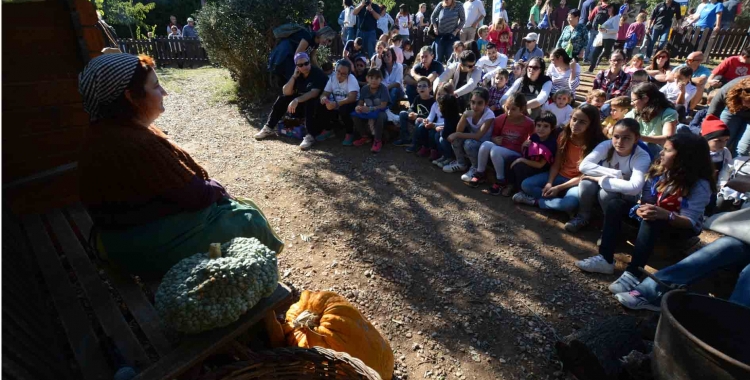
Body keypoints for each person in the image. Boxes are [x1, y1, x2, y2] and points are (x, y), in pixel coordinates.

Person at [77, 54, 283, 275]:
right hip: (133, 246)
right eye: (155, 86)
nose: (164, 92)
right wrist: (219, 188)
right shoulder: (133, 142)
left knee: (238, 206)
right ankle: (263, 280)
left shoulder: (106, 130)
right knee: (248, 220)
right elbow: (196, 195)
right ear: (130, 96)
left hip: (120, 235)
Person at [577, 132, 713, 295]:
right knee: (615, 204)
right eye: (663, 148)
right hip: (657, 214)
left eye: (668, 150)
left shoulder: (699, 185)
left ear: (685, 157)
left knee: (652, 218)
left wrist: (665, 214)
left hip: (679, 226)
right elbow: (648, 200)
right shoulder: (661, 171)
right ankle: (605, 259)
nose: (661, 153)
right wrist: (642, 208)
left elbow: (690, 221)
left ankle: (633, 273)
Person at [514, 104, 606, 218]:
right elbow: (557, 162)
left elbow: (585, 175)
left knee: (569, 203)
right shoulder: (564, 135)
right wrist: (550, 182)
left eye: (582, 122)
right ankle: (558, 203)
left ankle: (536, 202)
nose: (575, 124)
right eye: (574, 119)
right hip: (559, 175)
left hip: (576, 182)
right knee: (526, 185)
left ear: (591, 124)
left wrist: (559, 188)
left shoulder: (598, 144)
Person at [566, 118, 651, 232]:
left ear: (636, 138)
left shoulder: (641, 156)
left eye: (626, 138)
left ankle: (610, 227)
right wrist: (616, 174)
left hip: (627, 194)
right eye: (616, 136)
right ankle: (582, 217)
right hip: (616, 183)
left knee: (605, 194)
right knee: (586, 184)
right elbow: (584, 166)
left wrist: (600, 179)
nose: (620, 142)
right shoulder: (607, 145)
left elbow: (634, 188)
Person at [256, 53, 328, 149]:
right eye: (300, 65)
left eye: (306, 63)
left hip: (318, 107)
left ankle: (310, 136)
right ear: (297, 66)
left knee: (311, 102)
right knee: (282, 99)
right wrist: (294, 77)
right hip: (301, 105)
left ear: (309, 62)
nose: (304, 67)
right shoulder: (297, 74)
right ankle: (269, 127)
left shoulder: (317, 73)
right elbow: (286, 91)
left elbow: (314, 93)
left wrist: (297, 100)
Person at [468, 93, 535, 194]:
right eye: (507, 108)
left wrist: (527, 143)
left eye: (513, 109)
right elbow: (494, 135)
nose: (509, 112)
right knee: (486, 144)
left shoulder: (529, 123)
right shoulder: (500, 119)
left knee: (495, 150)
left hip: (516, 152)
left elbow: (532, 140)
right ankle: (480, 173)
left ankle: (501, 181)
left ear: (521, 109)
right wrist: (494, 139)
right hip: (502, 148)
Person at [443, 87, 496, 181]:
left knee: (468, 143)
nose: (475, 106)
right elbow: (459, 130)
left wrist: (457, 134)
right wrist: (464, 116)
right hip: (472, 139)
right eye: (473, 102)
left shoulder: (489, 115)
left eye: (480, 103)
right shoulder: (469, 112)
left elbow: (478, 136)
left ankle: (476, 168)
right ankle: (461, 164)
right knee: (457, 139)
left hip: (484, 143)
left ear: (486, 104)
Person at [506, 111, 560, 197]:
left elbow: (540, 165)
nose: (541, 129)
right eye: (538, 125)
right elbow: (524, 153)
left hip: (539, 170)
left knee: (519, 165)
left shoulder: (551, 143)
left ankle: (522, 191)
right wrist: (523, 145)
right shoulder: (534, 137)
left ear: (552, 128)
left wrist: (522, 160)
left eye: (546, 126)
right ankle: (511, 185)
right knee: (510, 159)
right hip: (529, 163)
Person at [267, 26, 337, 83]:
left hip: (291, 59)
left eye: (329, 41)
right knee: (294, 80)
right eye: (327, 39)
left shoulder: (316, 43)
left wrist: (320, 72)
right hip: (285, 56)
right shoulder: (309, 36)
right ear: (323, 34)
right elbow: (298, 55)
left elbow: (313, 58)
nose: (327, 42)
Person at [627, 82, 678, 156]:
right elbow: (623, 124)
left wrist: (639, 138)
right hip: (639, 148)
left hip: (660, 151)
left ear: (645, 99)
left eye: (633, 100)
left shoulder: (668, 112)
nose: (631, 103)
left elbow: (668, 138)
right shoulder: (635, 112)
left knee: (647, 145)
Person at [317, 60, 360, 146]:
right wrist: (324, 99)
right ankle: (329, 129)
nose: (339, 75)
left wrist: (337, 104)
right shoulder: (332, 78)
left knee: (344, 108)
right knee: (320, 104)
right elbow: (325, 93)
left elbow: (352, 97)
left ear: (348, 74)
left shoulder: (351, 79)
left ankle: (349, 132)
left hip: (351, 102)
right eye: (338, 72)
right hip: (336, 102)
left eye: (343, 74)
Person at [708, 76, 750, 156]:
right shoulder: (727, 90)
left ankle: (737, 166)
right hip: (733, 109)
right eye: (748, 102)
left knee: (742, 149)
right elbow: (711, 115)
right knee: (721, 140)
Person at [352, 68, 391, 153]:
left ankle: (377, 140)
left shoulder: (383, 88)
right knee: (355, 114)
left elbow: (383, 105)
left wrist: (370, 108)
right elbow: (361, 102)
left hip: (382, 111)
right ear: (367, 78)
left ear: (381, 79)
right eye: (371, 78)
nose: (374, 80)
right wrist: (358, 107)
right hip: (369, 111)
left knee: (380, 116)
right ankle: (365, 136)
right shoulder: (364, 89)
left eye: (377, 78)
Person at [395, 77, 436, 147]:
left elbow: (431, 116)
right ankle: (405, 138)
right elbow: (411, 108)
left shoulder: (433, 101)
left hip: (426, 122)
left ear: (430, 88)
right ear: (417, 89)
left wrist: (417, 116)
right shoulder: (417, 98)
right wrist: (411, 113)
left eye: (424, 86)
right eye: (419, 86)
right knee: (402, 114)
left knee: (418, 120)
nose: (421, 88)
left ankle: (415, 144)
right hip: (416, 117)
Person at [432, 84, 462, 167]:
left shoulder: (451, 116)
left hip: (457, 138)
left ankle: (450, 157)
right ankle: (444, 156)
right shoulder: (447, 114)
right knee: (437, 135)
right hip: (450, 134)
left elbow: (446, 133)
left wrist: (438, 128)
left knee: (442, 138)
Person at [588, 3, 621, 73]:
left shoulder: (616, 18)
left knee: (607, 55)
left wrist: (605, 30)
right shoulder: (610, 17)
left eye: (610, 8)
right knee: (595, 54)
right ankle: (590, 70)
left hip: (609, 39)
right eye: (608, 8)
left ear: (614, 9)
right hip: (602, 38)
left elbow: (616, 30)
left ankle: (614, 71)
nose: (608, 9)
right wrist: (601, 29)